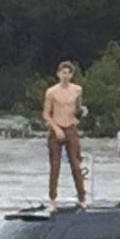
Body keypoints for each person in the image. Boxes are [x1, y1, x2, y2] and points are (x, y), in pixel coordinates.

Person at [42, 61, 86, 211]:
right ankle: (53, 199)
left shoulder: (77, 90)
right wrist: (56, 128)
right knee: (55, 166)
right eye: (63, 73)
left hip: (71, 128)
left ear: (72, 74)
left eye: (68, 73)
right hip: (56, 128)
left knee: (76, 164)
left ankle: (82, 198)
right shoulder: (51, 92)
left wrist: (80, 116)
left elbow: (78, 109)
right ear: (58, 74)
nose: (66, 76)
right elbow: (46, 114)